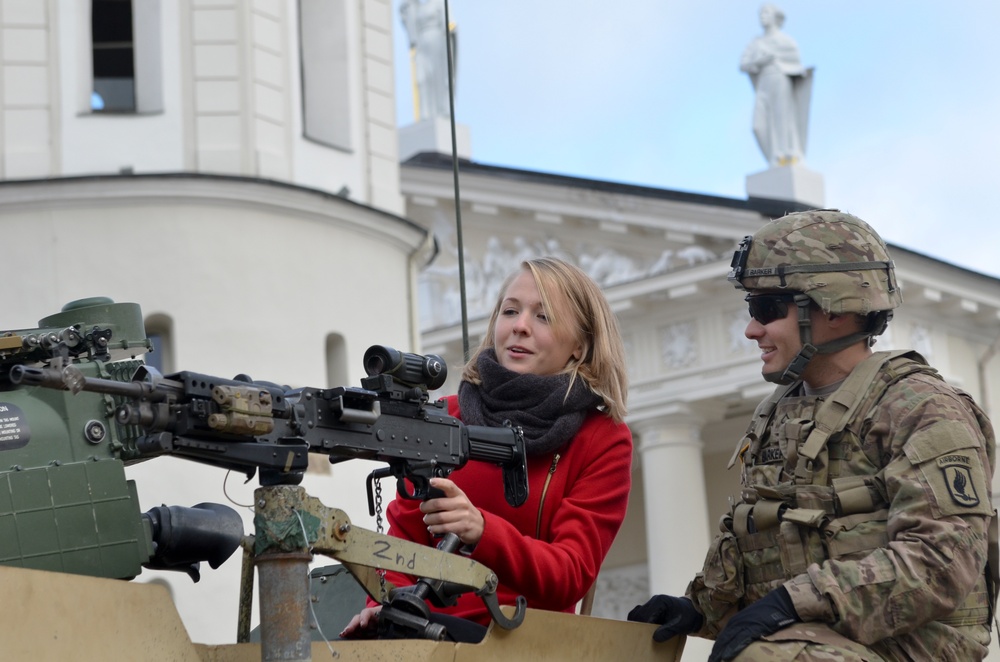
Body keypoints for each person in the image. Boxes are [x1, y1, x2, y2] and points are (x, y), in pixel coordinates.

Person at [629, 210, 997, 660]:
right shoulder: (777, 414)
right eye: (751, 308)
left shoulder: (920, 406)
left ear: (835, 310)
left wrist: (793, 603)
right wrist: (696, 610)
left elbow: (943, 560)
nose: (751, 329)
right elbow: (773, 548)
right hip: (812, 643)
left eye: (767, 309)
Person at [342, 256, 632, 642]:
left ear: (579, 347)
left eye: (543, 317)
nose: (520, 326)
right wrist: (385, 601)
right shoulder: (444, 415)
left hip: (521, 638)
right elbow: (399, 538)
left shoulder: (602, 438)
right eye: (510, 311)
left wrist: (483, 531)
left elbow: (570, 573)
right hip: (418, 626)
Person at [740, 4, 810, 167]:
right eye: (760, 13)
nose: (762, 16)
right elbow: (743, 64)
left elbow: (795, 59)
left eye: (766, 12)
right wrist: (759, 61)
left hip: (780, 78)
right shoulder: (756, 42)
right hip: (763, 83)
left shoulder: (785, 41)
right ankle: (774, 156)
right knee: (758, 126)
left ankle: (785, 156)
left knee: (782, 118)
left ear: (775, 16)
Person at [400, 0, 454, 121]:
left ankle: (441, 110)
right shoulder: (416, 7)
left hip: (437, 41)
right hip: (421, 45)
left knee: (437, 76)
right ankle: (424, 113)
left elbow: (449, 24)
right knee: (421, 79)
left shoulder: (439, 3)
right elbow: (406, 19)